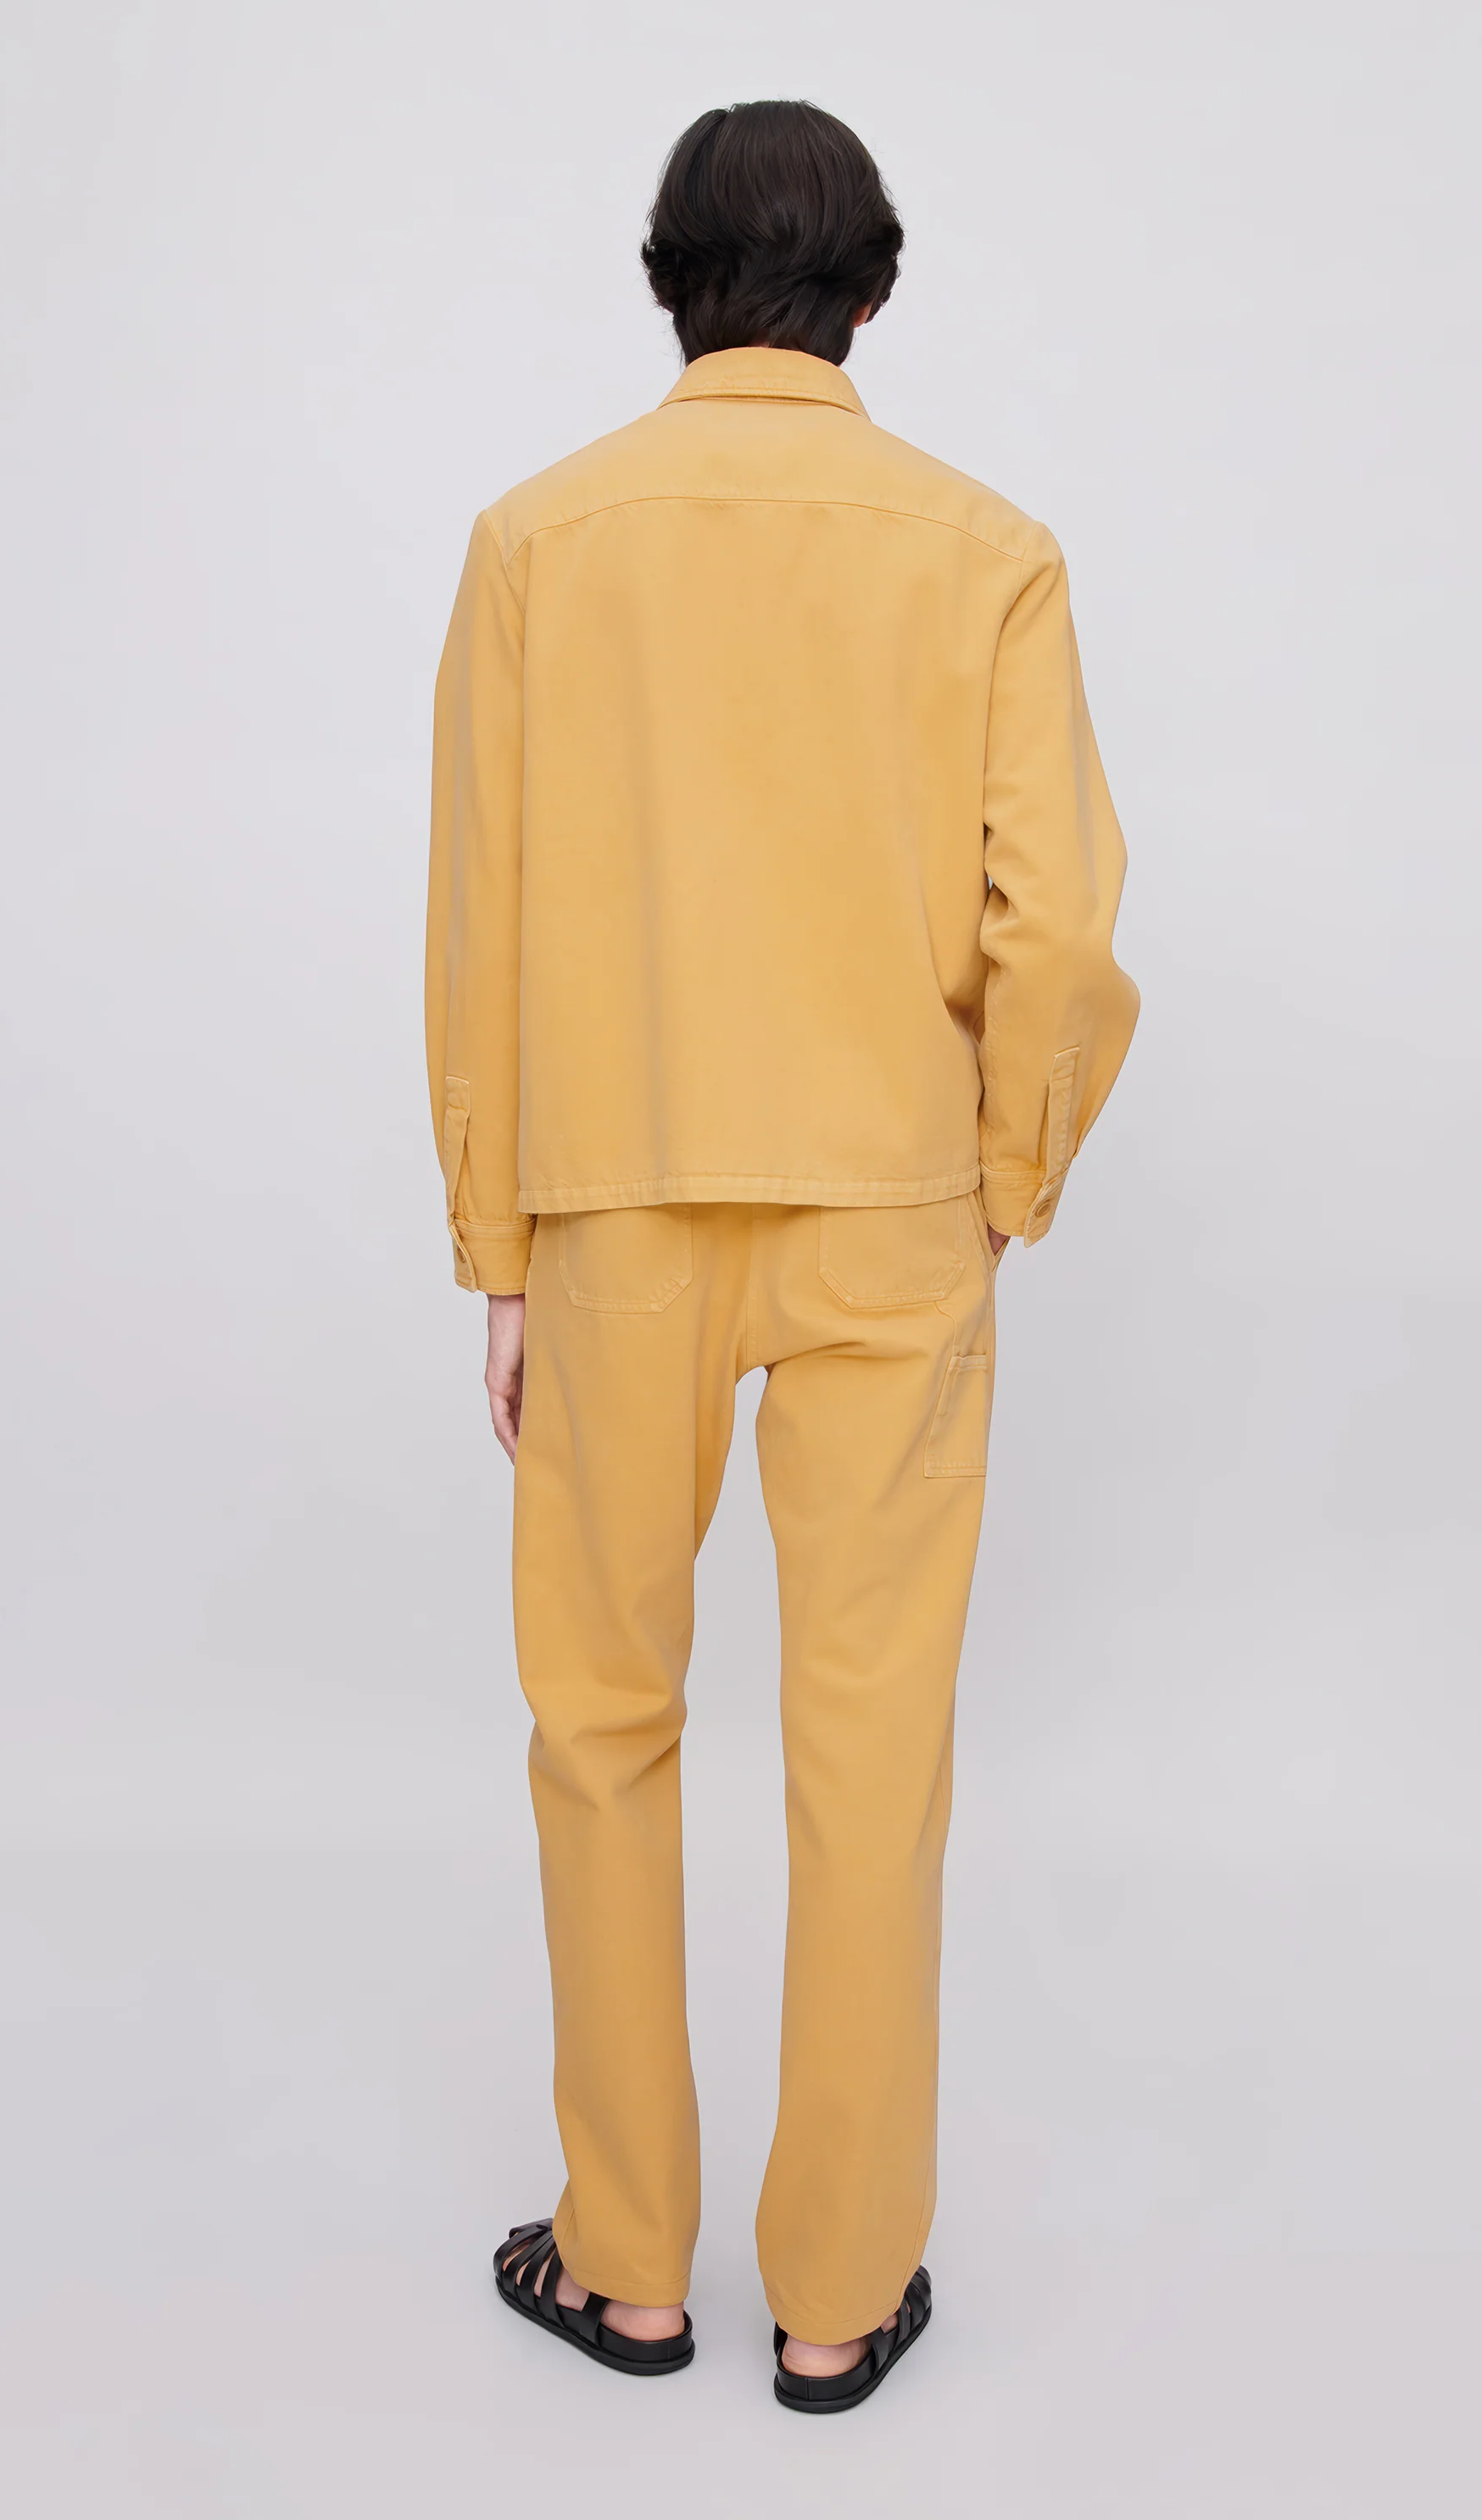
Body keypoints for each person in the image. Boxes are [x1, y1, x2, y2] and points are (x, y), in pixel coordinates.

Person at [426, 97, 1138, 2413]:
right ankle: (837, 2294)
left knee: (599, 1726)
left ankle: (626, 2264)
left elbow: (478, 920)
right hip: (884, 1217)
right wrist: (1002, 1180)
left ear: (667, 280)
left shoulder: (537, 542)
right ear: (874, 291)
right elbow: (1058, 931)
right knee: (870, 1751)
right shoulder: (988, 552)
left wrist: (497, 1244)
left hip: (613, 1206)